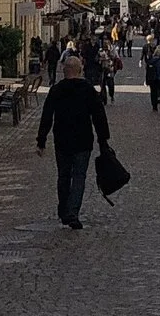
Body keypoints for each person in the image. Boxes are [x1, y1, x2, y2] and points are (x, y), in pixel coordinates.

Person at [35, 56, 110, 229]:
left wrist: (41, 140)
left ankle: (63, 209)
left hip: (62, 140)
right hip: (83, 141)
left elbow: (47, 116)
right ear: (80, 70)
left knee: (63, 176)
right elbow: (99, 116)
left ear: (64, 71)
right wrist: (103, 140)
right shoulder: (87, 89)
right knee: (79, 177)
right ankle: (73, 212)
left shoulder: (57, 90)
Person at [144, 41, 160, 111]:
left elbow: (148, 70)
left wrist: (147, 80)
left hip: (152, 78)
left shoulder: (151, 60)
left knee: (153, 92)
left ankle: (154, 107)